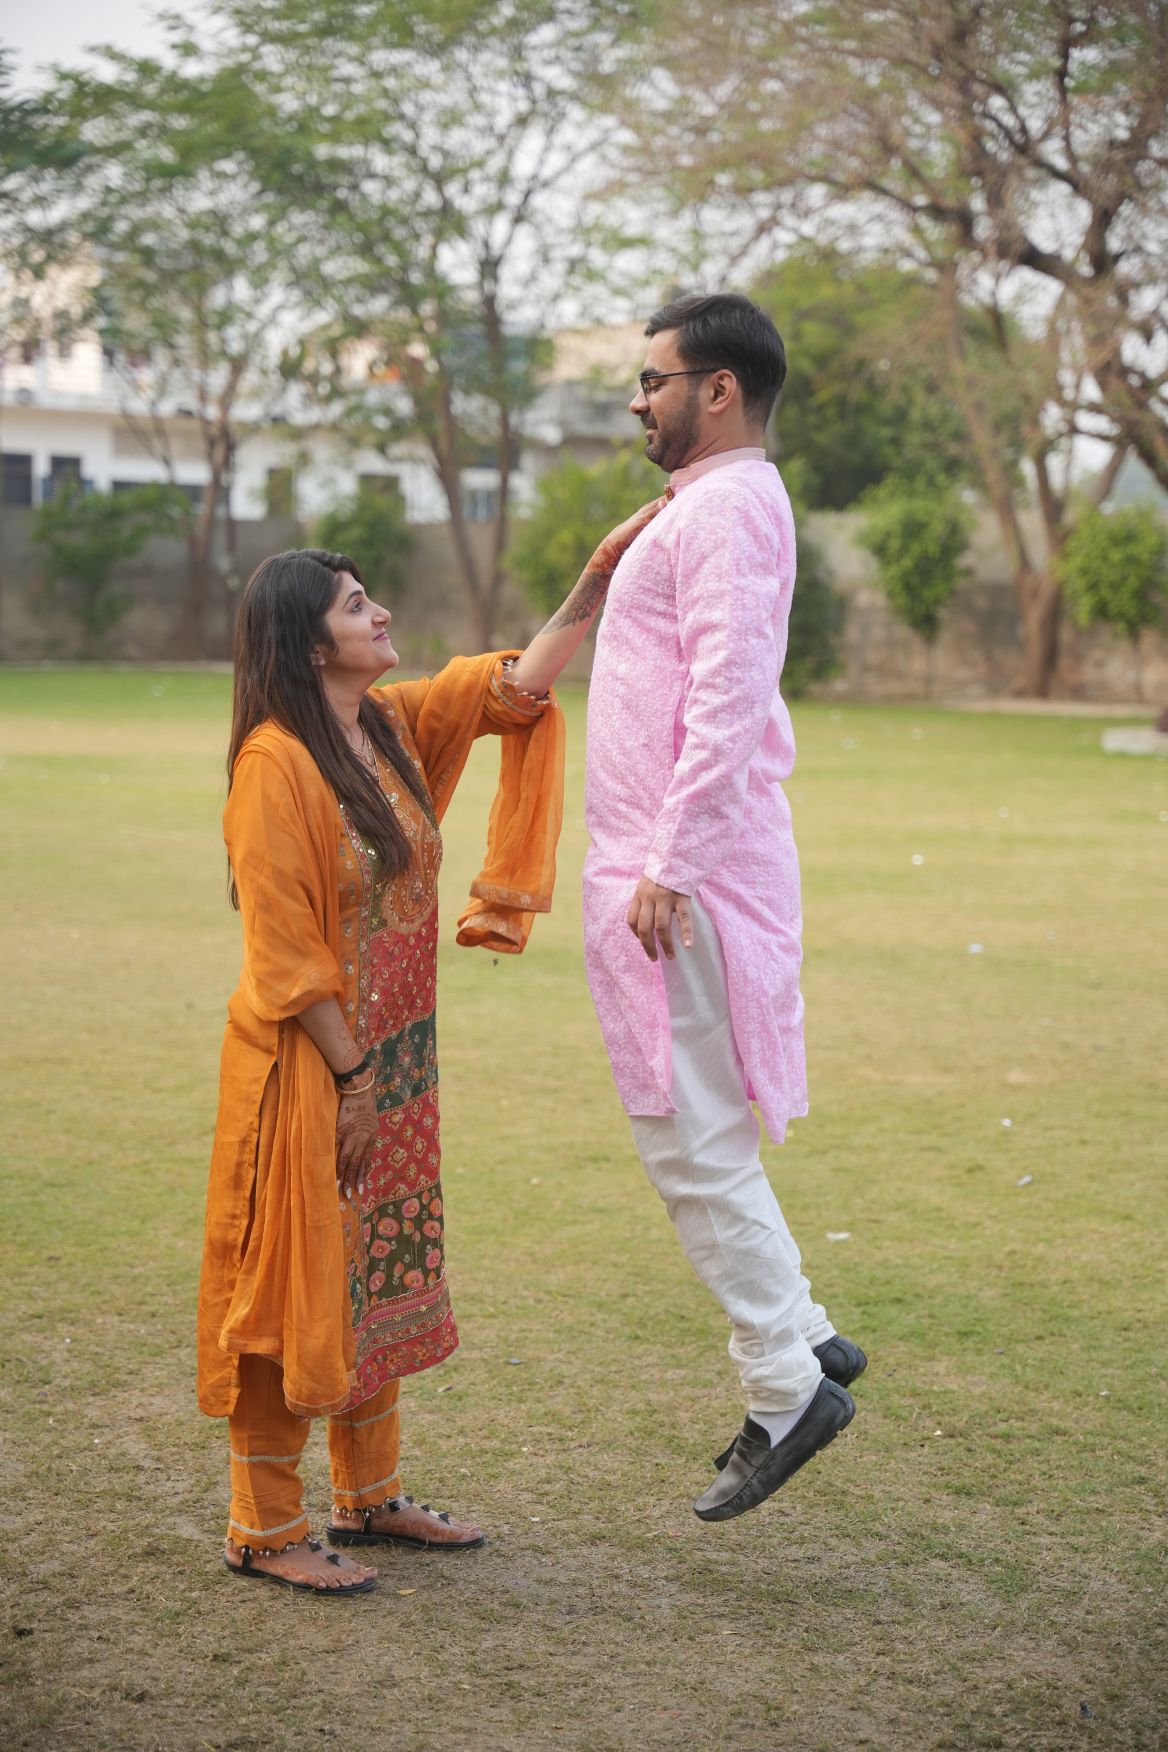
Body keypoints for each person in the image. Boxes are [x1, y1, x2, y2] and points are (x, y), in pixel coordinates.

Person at [198, 517, 660, 1595]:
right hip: (312, 1071)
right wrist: (352, 1079)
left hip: (396, 1064)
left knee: (376, 1268)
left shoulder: (388, 725)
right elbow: (284, 955)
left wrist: (595, 578)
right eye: (357, 605)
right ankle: (263, 1527)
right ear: (310, 644)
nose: (382, 613)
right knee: (298, 1281)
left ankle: (367, 1495)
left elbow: (514, 689)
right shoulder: (274, 765)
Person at [568, 292, 867, 1522]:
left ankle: (786, 1388)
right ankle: (808, 1332)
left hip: (678, 881)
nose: (639, 400)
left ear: (719, 389)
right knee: (700, 1136)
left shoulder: (732, 507)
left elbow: (731, 691)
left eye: (655, 379)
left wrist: (673, 863)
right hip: (664, 871)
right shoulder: (708, 505)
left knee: (689, 1144)